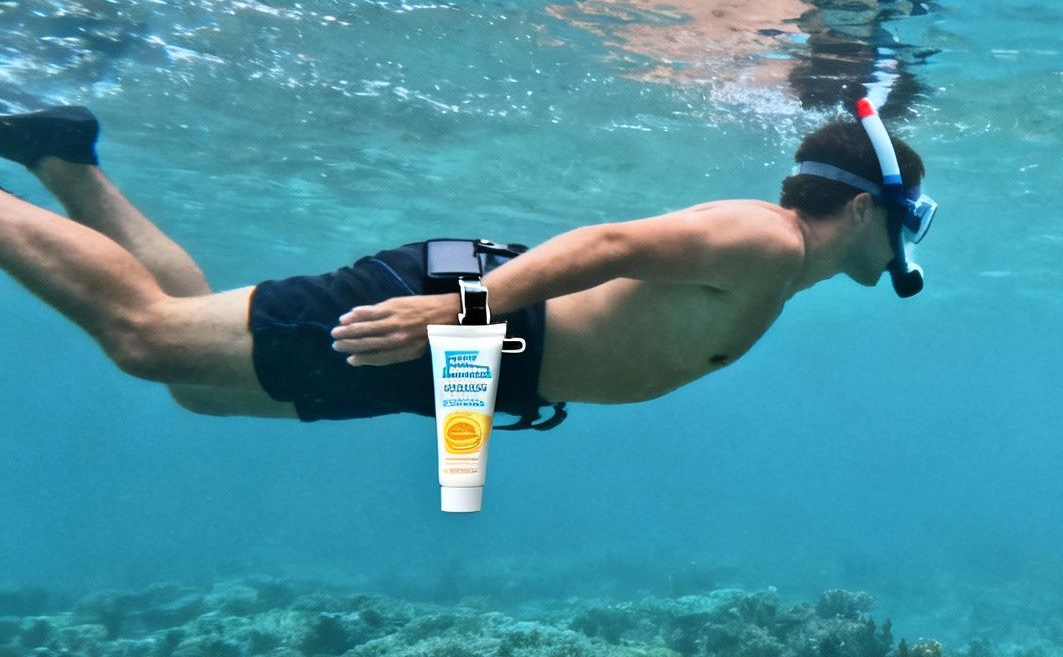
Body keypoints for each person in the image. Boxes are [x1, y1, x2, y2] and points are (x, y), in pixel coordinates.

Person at [0, 104, 933, 428]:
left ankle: (64, 160)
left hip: (485, 361)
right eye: (906, 222)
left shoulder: (779, 260)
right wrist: (457, 315)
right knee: (146, 340)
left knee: (193, 383)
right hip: (472, 322)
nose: (906, 246)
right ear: (863, 207)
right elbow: (603, 246)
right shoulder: (769, 241)